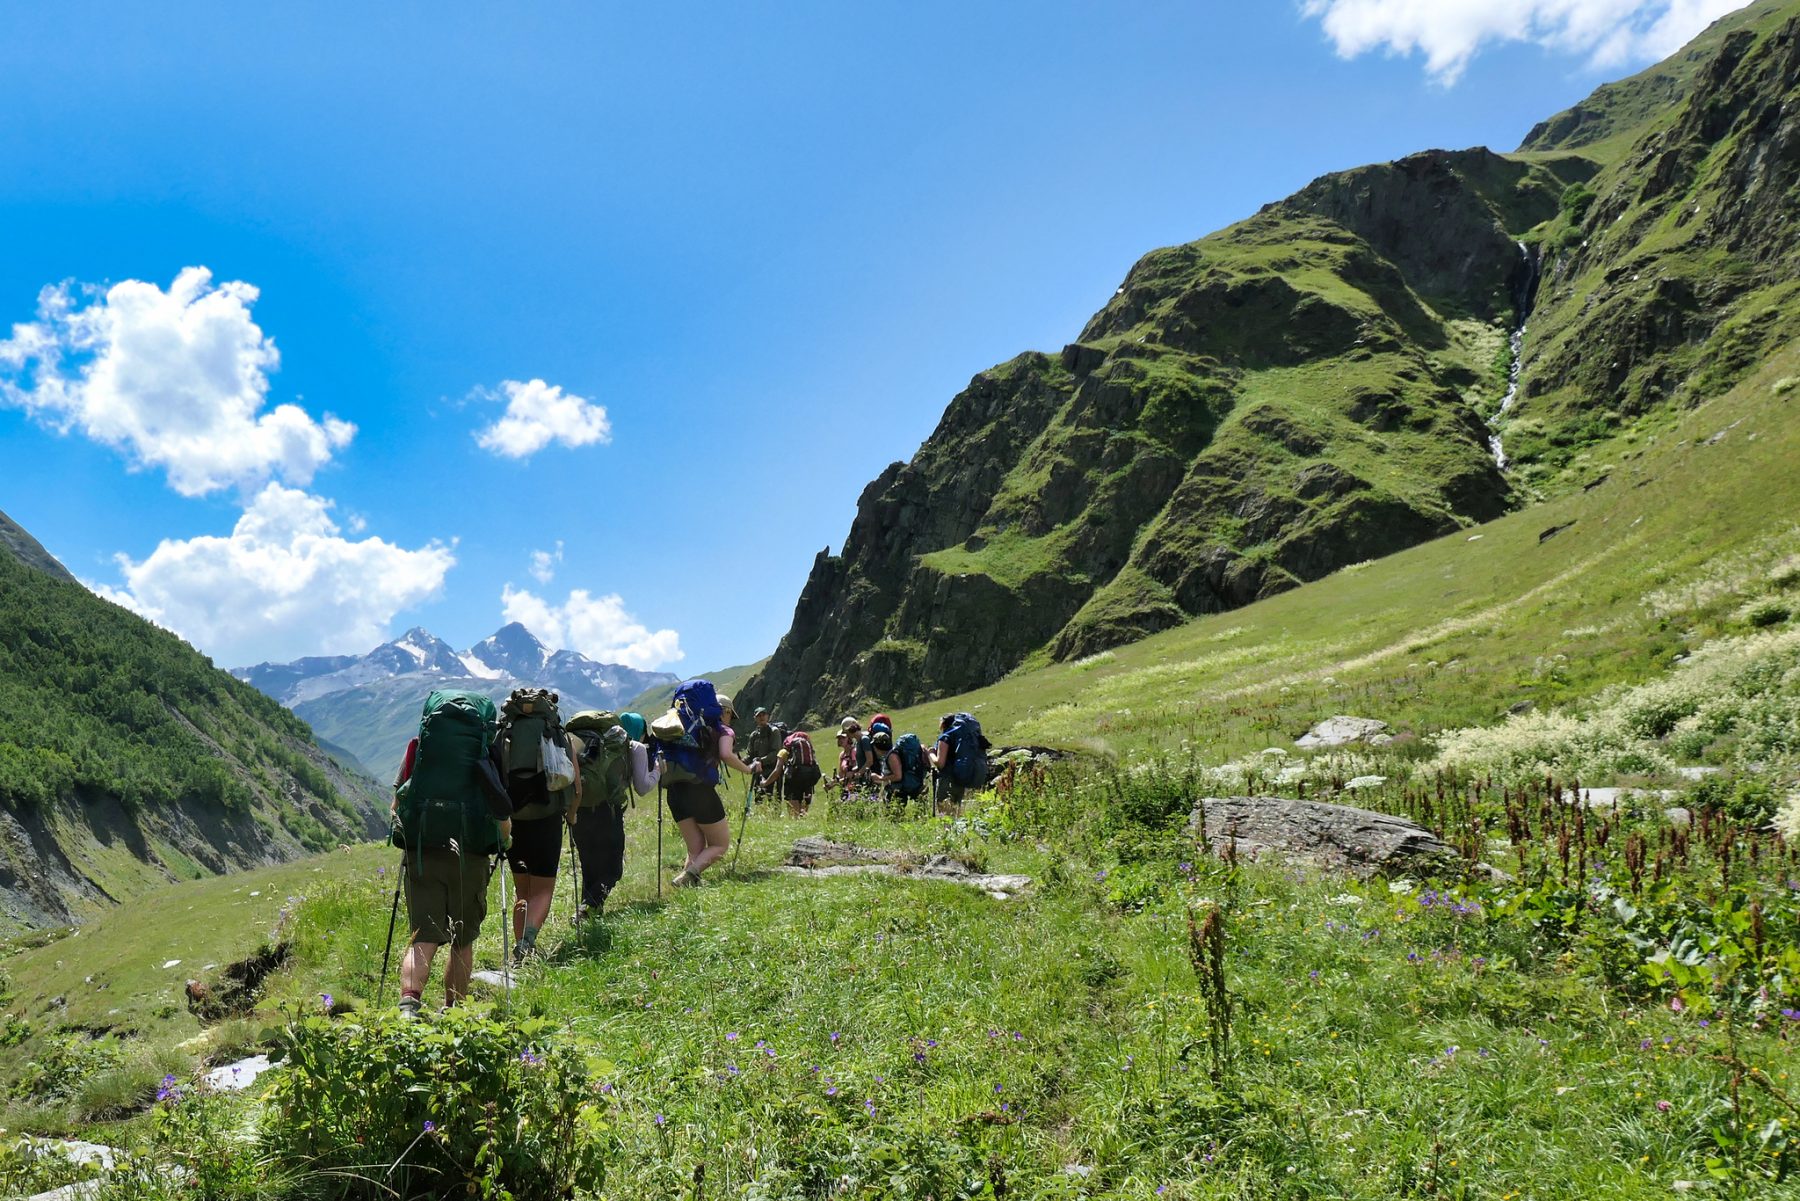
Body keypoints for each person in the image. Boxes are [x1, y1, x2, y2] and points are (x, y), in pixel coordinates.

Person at [389, 698, 513, 1018]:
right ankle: (452, 1010)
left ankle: (408, 1005)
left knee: (424, 935)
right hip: (470, 855)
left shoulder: (419, 746)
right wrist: (504, 839)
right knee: (462, 939)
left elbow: (397, 804)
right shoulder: (487, 751)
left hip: (422, 851)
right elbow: (501, 808)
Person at [506, 728, 584, 962]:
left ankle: (520, 953)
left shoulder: (507, 735)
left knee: (522, 891)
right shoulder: (559, 735)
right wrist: (572, 814)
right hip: (546, 820)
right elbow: (576, 787)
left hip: (514, 819)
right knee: (543, 889)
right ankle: (526, 942)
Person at [665, 692, 758, 888]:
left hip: (674, 790)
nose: (730, 719)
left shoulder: (684, 726)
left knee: (696, 849)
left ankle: (687, 885)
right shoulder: (723, 730)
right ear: (723, 711)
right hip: (700, 791)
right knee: (720, 845)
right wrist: (748, 769)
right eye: (730, 715)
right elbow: (726, 754)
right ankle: (687, 875)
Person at [744, 706, 781, 795]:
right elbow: (750, 754)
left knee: (774, 801)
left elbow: (776, 752)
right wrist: (741, 761)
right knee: (759, 801)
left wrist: (760, 760)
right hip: (758, 773)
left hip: (773, 772)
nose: (762, 717)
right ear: (755, 718)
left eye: (763, 715)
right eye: (759, 716)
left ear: (767, 716)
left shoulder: (774, 731)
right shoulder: (754, 735)